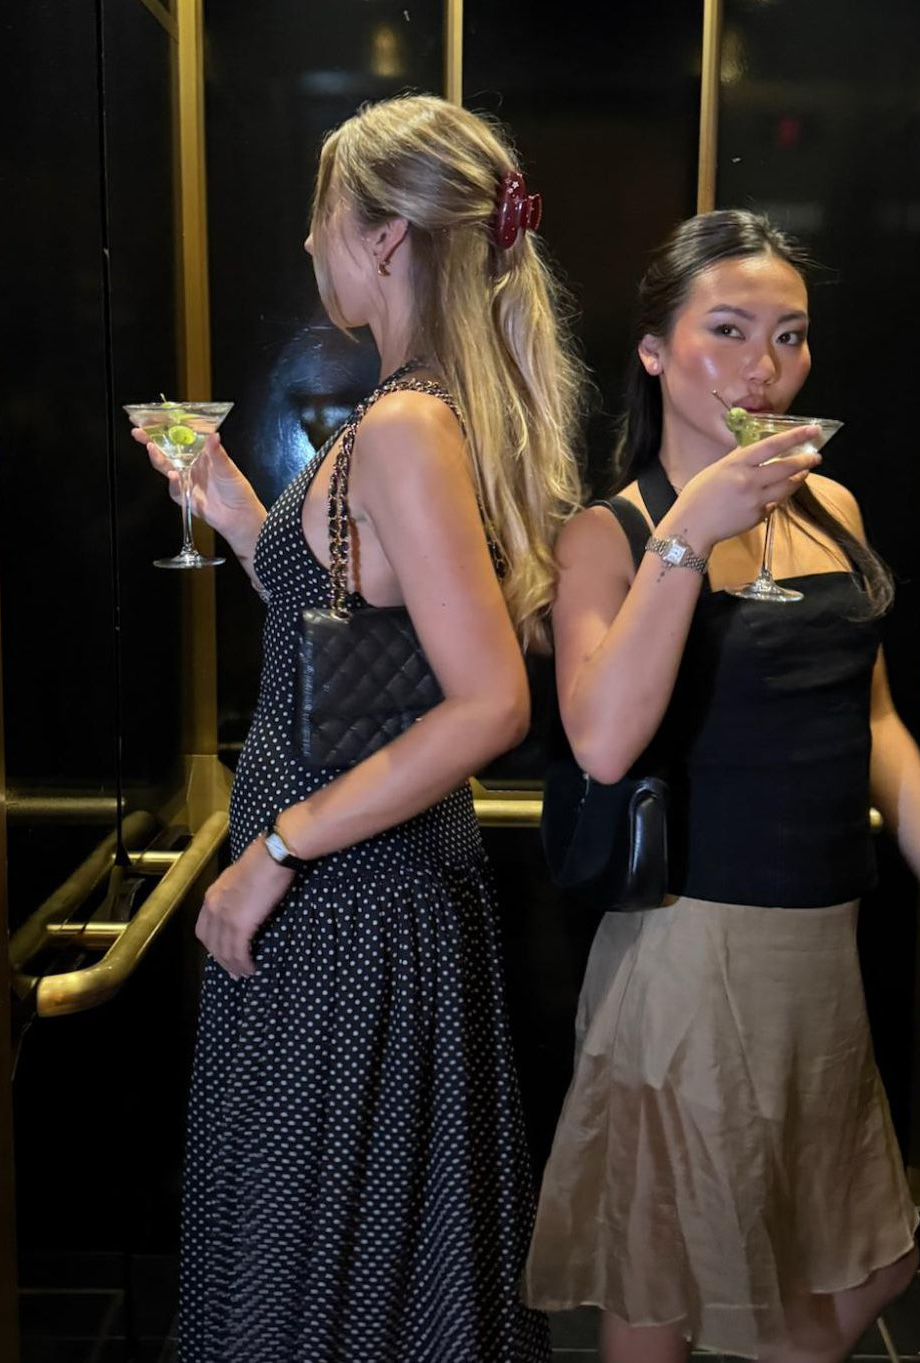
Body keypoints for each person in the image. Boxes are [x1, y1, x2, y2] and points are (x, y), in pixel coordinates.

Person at [134, 94, 583, 1362]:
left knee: (313, 1284)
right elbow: (346, 628)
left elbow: (490, 702)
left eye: (322, 215)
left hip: (345, 907)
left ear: (385, 237)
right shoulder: (419, 407)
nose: (308, 242)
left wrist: (272, 856)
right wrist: (236, 505)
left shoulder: (405, 425)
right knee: (353, 1277)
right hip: (363, 901)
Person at [523, 210, 920, 1363]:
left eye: (790, 334)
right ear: (653, 349)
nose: (764, 365)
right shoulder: (606, 536)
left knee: (865, 1252)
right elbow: (602, 743)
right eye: (727, 328)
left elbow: (876, 721)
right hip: (690, 944)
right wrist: (687, 536)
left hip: (824, 941)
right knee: (658, 1272)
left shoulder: (835, 511)